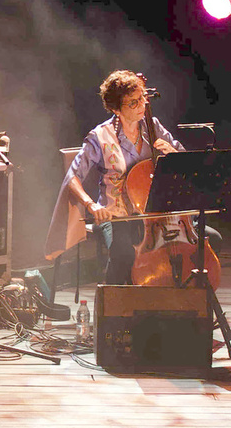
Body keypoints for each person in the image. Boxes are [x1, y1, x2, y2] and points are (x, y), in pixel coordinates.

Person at [45, 70, 184, 284]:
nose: (142, 106)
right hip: (116, 215)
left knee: (210, 240)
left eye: (143, 99)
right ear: (116, 108)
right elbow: (72, 176)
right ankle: (112, 310)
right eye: (133, 103)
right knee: (124, 254)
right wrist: (92, 206)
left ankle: (165, 303)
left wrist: (173, 155)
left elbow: (185, 159)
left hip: (155, 213)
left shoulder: (152, 126)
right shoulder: (100, 136)